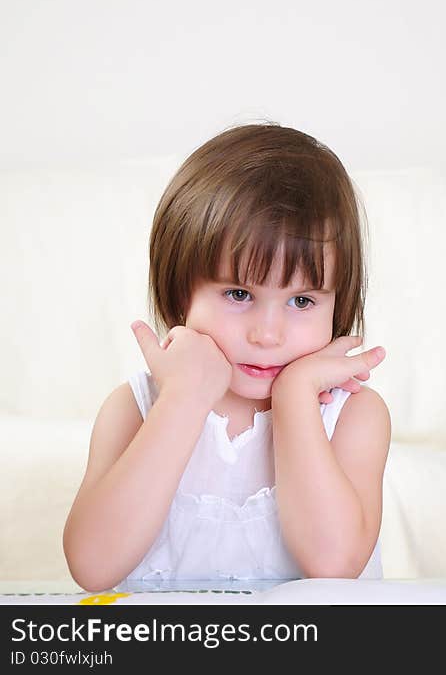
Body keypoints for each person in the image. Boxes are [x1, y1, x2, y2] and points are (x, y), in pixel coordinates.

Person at [63, 124, 391, 592]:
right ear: (180, 294)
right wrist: (183, 400)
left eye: (302, 301)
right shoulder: (135, 408)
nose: (268, 334)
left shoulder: (354, 415)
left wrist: (295, 396)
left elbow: (332, 563)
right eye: (239, 294)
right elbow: (93, 566)